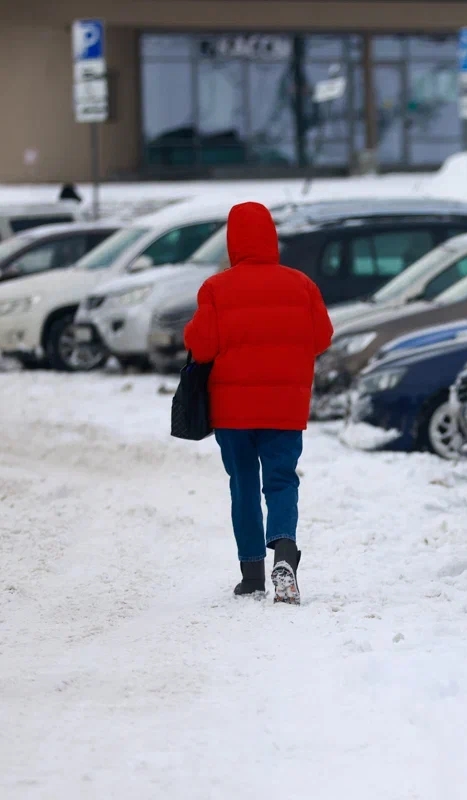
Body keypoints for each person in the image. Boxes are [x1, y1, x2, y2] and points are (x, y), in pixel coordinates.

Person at [183, 201, 333, 604]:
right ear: (272, 238)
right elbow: (322, 337)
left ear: (233, 241)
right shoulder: (301, 285)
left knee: (244, 486)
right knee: (282, 481)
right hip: (285, 407)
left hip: (232, 412)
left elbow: (201, 345)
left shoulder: (215, 288)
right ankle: (284, 554)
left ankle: (252, 576)